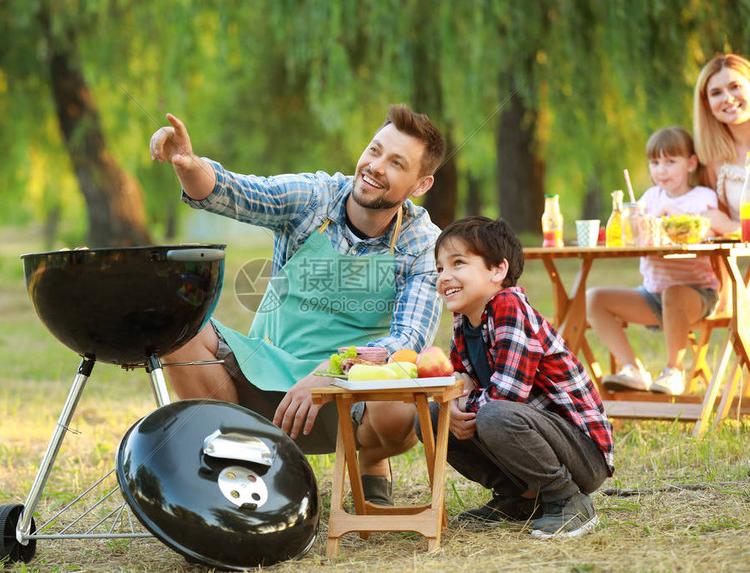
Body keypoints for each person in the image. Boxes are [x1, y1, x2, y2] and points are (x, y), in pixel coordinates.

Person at [149, 104, 445, 506]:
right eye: (374, 150)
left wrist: (330, 372)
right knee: (181, 327)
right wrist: (187, 163)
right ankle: (238, 463)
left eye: (396, 163)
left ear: (420, 184)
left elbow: (409, 339)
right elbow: (236, 192)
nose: (375, 166)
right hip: (265, 373)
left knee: (400, 410)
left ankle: (372, 461)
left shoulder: (423, 243)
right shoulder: (315, 196)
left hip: (350, 394)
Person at [415, 216, 614, 538]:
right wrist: (451, 406)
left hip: (581, 454)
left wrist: (463, 403)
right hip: (529, 436)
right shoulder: (464, 321)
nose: (444, 277)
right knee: (431, 415)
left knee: (493, 413)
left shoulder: (509, 307)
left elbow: (507, 395)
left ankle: (567, 498)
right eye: (439, 269)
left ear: (497, 270)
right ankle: (521, 498)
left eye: (458, 263)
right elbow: (460, 377)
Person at [588, 127, 720, 395]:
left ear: (691, 163)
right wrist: (634, 227)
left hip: (697, 296)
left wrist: (669, 212)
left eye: (671, 162)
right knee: (593, 299)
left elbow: (706, 231)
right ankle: (632, 369)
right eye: (655, 162)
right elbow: (633, 238)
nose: (662, 170)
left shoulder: (702, 197)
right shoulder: (647, 199)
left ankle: (674, 370)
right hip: (652, 296)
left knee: (674, 294)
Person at [693, 53, 750, 236]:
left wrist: (732, 228)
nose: (727, 98)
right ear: (707, 103)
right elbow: (718, 239)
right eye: (716, 93)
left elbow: (725, 226)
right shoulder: (713, 162)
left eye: (735, 87)